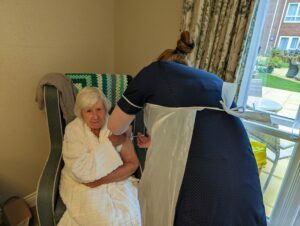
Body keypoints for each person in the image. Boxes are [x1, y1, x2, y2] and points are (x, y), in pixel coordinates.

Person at [108, 31, 267, 226]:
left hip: (204, 183)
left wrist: (126, 128)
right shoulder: (213, 80)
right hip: (244, 174)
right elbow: (196, 131)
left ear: (162, 62)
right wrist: (156, 139)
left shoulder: (154, 72)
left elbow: (114, 126)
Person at [58, 87, 141, 226]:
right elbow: (80, 171)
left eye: (99, 109)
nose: (95, 116)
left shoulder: (116, 126)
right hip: (81, 183)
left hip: (115, 179)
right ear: (81, 113)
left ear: (106, 109)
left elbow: (132, 163)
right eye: (89, 111)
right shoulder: (73, 130)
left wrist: (100, 181)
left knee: (129, 216)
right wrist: (112, 142)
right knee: (102, 219)